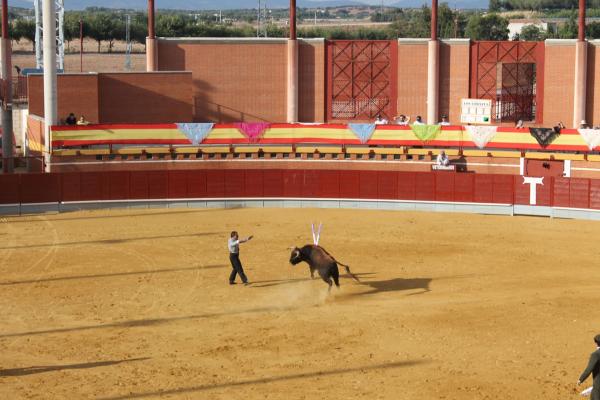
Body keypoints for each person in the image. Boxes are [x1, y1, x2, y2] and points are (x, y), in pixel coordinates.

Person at [578, 334, 600, 400]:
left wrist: (581, 379)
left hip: (598, 385)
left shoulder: (595, 354)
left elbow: (589, 369)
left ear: (596, 343)